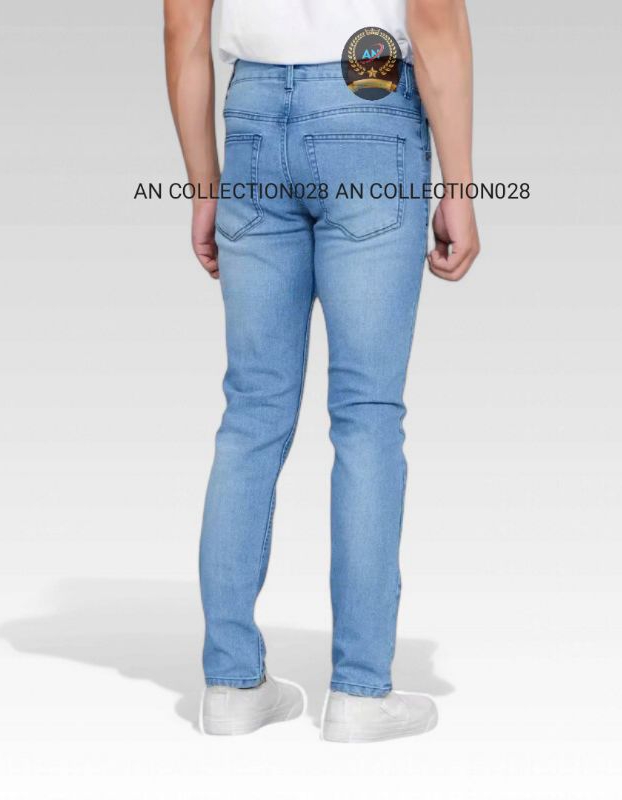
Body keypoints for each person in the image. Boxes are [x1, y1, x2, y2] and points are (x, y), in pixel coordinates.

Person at [165, 0, 479, 742]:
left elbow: (183, 26)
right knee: (367, 417)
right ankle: (360, 694)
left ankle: (231, 686)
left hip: (251, 113)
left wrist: (204, 186)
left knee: (251, 415)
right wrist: (460, 186)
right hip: (369, 98)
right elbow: (433, 17)